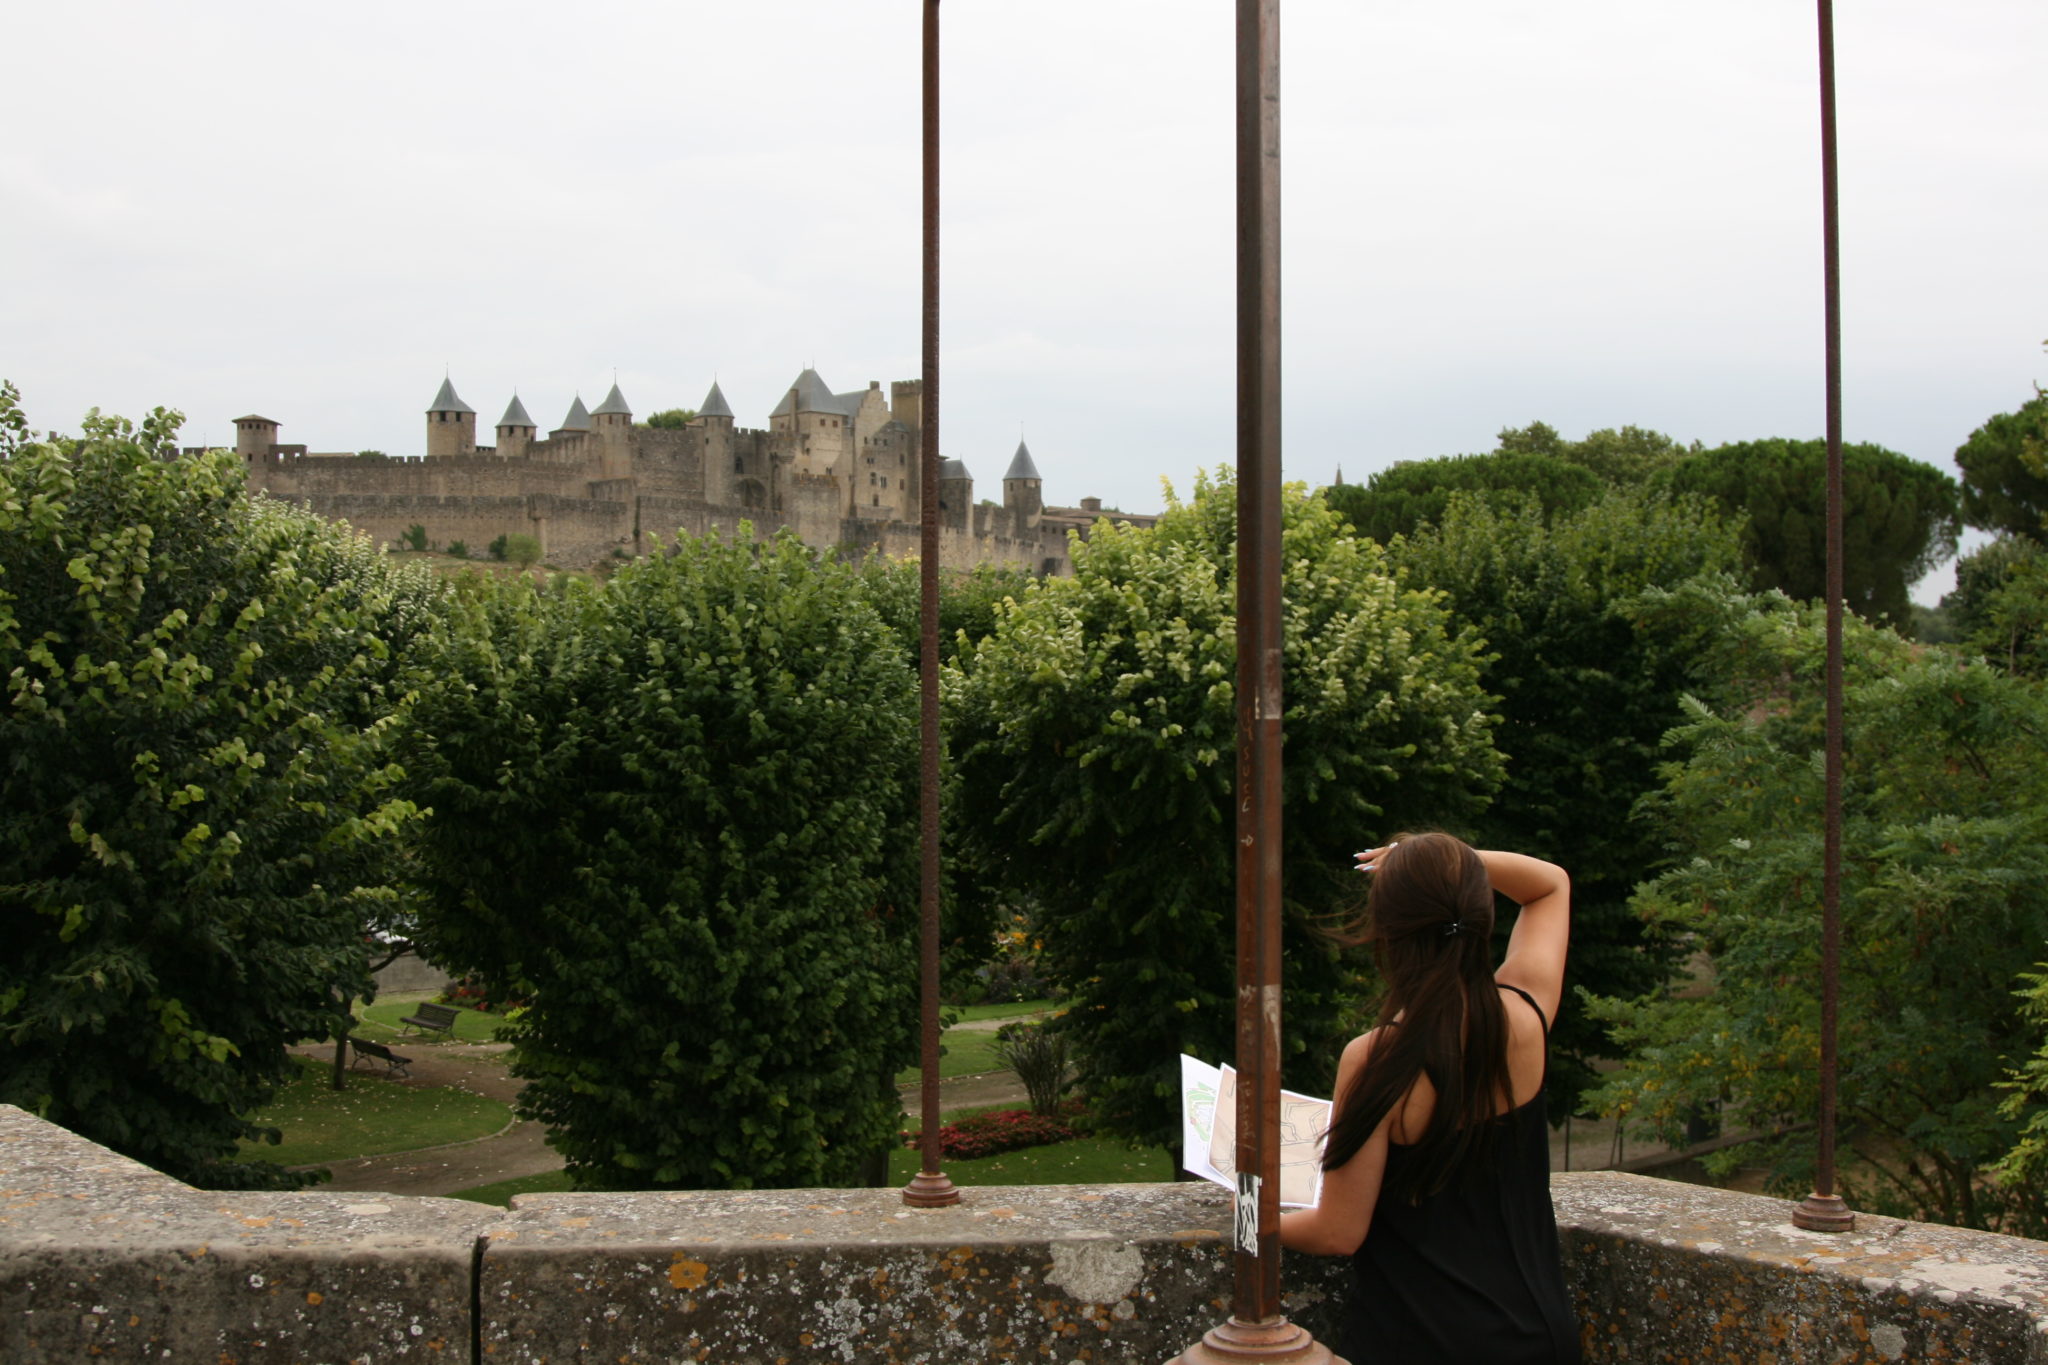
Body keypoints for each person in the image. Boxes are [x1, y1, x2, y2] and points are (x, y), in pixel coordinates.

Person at [1279, 833, 1581, 1364]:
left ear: (1388, 935)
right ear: (1481, 914)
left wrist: (1247, 1216)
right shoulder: (1526, 1015)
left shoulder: (1378, 1058)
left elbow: (1338, 1231)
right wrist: (1449, 863)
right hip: (1542, 1334)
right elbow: (1550, 884)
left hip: (1428, 1340)